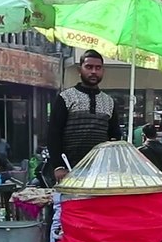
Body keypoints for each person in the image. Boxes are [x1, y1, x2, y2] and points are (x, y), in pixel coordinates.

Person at [47, 49, 121, 178]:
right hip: (71, 169)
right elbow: (54, 133)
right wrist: (58, 166)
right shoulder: (66, 97)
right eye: (89, 67)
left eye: (98, 68)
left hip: (101, 170)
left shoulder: (109, 101)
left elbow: (114, 136)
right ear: (79, 70)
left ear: (103, 71)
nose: (94, 71)